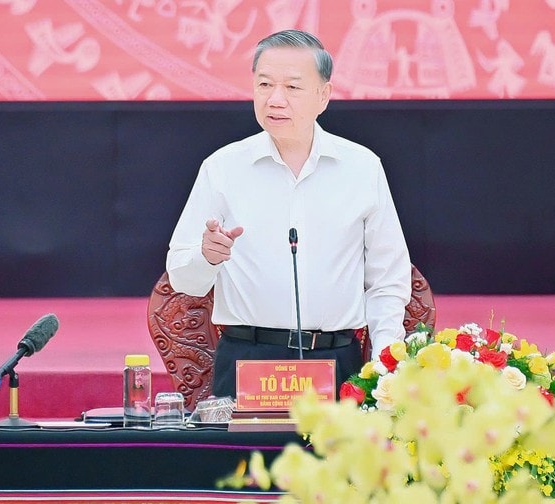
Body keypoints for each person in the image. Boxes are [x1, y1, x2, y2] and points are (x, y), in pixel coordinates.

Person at [166, 29, 414, 399]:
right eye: (264, 84)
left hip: (336, 361)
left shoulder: (362, 168)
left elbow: (387, 280)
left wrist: (383, 366)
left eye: (292, 87)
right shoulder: (222, 168)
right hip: (247, 361)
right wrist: (207, 256)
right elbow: (182, 277)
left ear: (324, 95)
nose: (275, 99)